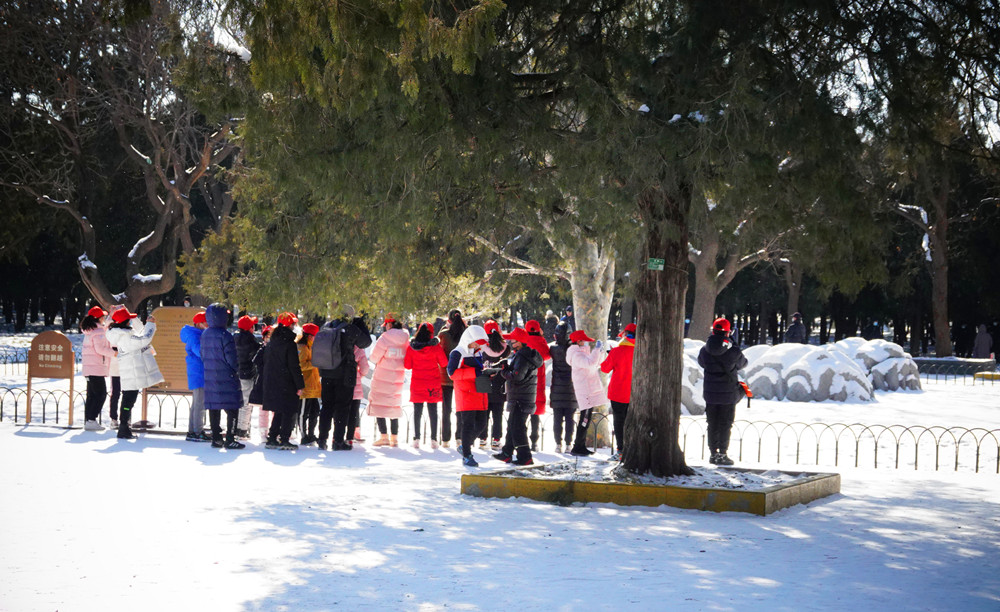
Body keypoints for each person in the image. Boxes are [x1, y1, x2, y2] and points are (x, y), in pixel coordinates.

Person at [316, 309, 372, 450]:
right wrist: (360, 323)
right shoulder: (350, 328)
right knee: (342, 408)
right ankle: (338, 441)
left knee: (327, 407)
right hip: (345, 373)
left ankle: (322, 439)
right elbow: (366, 342)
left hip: (327, 371)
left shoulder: (328, 326)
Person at [105, 308, 164, 439]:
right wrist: (150, 324)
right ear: (125, 321)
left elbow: (140, 339)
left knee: (128, 399)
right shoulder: (126, 336)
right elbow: (144, 339)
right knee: (128, 401)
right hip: (132, 371)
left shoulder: (123, 334)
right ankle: (123, 427)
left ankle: (124, 427)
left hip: (130, 371)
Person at [697, 317, 748, 466]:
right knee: (725, 424)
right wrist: (734, 345)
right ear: (728, 333)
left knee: (712, 423)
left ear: (713, 331)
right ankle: (723, 454)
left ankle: (713, 453)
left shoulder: (704, 350)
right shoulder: (733, 351)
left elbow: (701, 362)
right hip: (728, 394)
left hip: (710, 394)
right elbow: (743, 363)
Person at [492, 327, 543, 466]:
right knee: (512, 425)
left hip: (521, 398)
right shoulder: (522, 354)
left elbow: (517, 376)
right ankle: (507, 452)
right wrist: (507, 368)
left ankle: (525, 456)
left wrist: (504, 372)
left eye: (512, 339)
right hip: (522, 396)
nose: (510, 341)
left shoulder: (522, 356)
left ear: (519, 342)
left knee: (518, 428)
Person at [201, 303, 246, 449]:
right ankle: (230, 438)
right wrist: (236, 370)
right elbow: (231, 359)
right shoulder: (225, 335)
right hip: (226, 376)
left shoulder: (205, 334)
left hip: (210, 375)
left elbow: (203, 355)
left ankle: (216, 438)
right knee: (232, 408)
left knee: (214, 407)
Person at [262, 313, 305, 450]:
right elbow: (294, 366)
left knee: (278, 410)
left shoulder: (272, 341)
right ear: (290, 325)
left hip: (273, 380)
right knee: (288, 410)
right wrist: (300, 384)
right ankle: (285, 438)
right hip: (287, 381)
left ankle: (272, 437)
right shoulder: (289, 343)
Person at [449, 325, 490, 466]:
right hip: (466, 394)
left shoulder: (477, 352)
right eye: (476, 341)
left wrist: (488, 372)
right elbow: (452, 373)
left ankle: (464, 447)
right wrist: (474, 373)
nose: (478, 344)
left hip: (479, 392)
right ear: (469, 339)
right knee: (467, 425)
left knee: (482, 424)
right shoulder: (458, 353)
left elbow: (478, 370)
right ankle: (467, 454)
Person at [404, 322, 448, 448]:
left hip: (417, 383)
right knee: (433, 411)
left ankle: (416, 439)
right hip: (432, 384)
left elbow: (407, 365)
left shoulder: (412, 347)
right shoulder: (436, 346)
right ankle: (434, 440)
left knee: (417, 411)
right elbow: (444, 363)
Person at [368, 317, 409, 447]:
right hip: (397, 376)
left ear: (390, 324)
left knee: (380, 405)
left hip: (382, 376)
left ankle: (384, 436)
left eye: (386, 325)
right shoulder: (405, 338)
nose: (385, 327)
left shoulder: (384, 338)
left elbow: (374, 357)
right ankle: (394, 438)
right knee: (394, 405)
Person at [566, 328, 605, 456]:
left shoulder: (582, 353)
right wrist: (596, 350)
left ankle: (579, 445)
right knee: (585, 418)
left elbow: (596, 363)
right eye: (585, 341)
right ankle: (578, 446)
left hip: (588, 389)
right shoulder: (577, 355)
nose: (587, 343)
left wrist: (600, 352)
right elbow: (591, 363)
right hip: (585, 391)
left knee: (586, 419)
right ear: (579, 341)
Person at [601, 322, 635, 461]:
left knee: (619, 422)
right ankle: (632, 449)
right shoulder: (641, 352)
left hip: (617, 393)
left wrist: (609, 356)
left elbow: (604, 368)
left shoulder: (616, 351)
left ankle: (621, 450)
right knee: (631, 422)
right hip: (634, 394)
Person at [80, 306, 115, 431]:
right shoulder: (98, 332)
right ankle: (91, 419)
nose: (104, 318)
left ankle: (89, 420)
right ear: (98, 318)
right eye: (103, 316)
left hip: (89, 368)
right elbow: (100, 349)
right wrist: (114, 353)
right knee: (100, 395)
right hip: (96, 368)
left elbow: (107, 325)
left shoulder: (90, 330)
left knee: (92, 395)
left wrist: (112, 313)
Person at [436, 309, 466, 447]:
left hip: (445, 376)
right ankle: (459, 437)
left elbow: (438, 353)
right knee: (460, 407)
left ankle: (445, 439)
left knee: (446, 408)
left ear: (448, 320)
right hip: (461, 376)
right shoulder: (466, 334)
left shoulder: (443, 335)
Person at [179, 311, 211, 442]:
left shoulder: (197, 334)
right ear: (199, 323)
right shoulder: (195, 336)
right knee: (199, 404)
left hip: (198, 371)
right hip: (198, 372)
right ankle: (198, 431)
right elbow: (200, 352)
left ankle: (192, 431)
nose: (208, 325)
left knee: (197, 403)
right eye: (206, 322)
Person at [547, 321, 578, 452]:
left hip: (557, 388)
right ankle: (568, 444)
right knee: (570, 420)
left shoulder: (553, 349)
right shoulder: (574, 349)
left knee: (557, 419)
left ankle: (557, 444)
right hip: (571, 388)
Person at [480, 320, 511, 450]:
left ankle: (482, 439)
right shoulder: (506, 348)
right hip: (500, 381)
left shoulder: (481, 348)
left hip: (483, 380)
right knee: (498, 413)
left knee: (483, 412)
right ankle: (496, 439)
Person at [523, 319, 552, 451]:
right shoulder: (541, 342)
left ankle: (521, 440)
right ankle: (534, 440)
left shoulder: (523, 340)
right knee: (535, 412)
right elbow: (547, 355)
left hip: (523, 379)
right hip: (538, 380)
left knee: (522, 413)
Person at [234, 315, 260, 439]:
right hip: (247, 375)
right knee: (246, 404)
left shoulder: (234, 338)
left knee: (236, 403)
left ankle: (235, 427)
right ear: (250, 328)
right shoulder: (251, 341)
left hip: (235, 374)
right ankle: (242, 430)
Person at [297, 323, 322, 445]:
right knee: (303, 413)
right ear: (309, 335)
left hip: (314, 385)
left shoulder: (311, 347)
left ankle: (311, 434)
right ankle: (304, 435)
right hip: (305, 386)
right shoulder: (302, 347)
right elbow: (300, 365)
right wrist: (315, 363)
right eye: (314, 336)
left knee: (314, 412)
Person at [248, 325, 273, 440]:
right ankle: (263, 432)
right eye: (266, 336)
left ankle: (273, 430)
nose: (268, 338)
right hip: (263, 381)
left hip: (272, 381)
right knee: (263, 409)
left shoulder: (274, 349)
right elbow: (256, 361)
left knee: (274, 409)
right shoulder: (262, 349)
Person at [351, 343, 370, 445]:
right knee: (355, 409)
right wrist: (360, 375)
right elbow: (365, 368)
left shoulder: (337, 343)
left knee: (340, 408)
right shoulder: (358, 348)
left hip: (338, 379)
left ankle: (339, 433)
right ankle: (355, 433)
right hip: (354, 379)